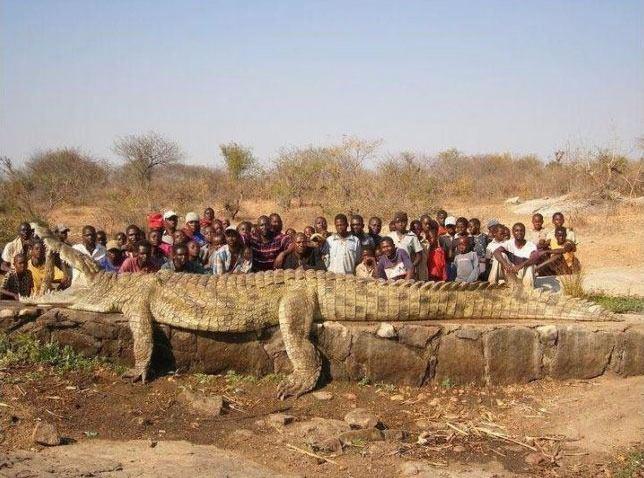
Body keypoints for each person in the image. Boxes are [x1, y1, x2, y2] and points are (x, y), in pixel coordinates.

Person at [490, 222, 538, 287]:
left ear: (524, 232)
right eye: (516, 231)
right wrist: (505, 264)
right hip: (511, 274)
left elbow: (534, 258)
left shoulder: (531, 245)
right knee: (500, 256)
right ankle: (492, 284)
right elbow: (496, 252)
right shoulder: (508, 243)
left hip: (524, 275)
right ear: (513, 232)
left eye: (521, 231)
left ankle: (528, 289)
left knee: (530, 265)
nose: (519, 233)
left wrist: (521, 265)